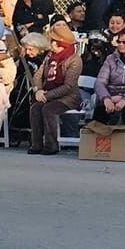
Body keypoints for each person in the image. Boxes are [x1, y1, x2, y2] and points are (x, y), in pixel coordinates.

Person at [27, 21, 83, 154]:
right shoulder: (49, 57)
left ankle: (51, 144)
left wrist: (46, 96)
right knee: (35, 107)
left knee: (49, 109)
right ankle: (36, 144)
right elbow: (38, 75)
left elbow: (69, 86)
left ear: (60, 42)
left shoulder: (75, 60)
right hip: (47, 93)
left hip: (68, 97)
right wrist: (39, 90)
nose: (49, 43)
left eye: (52, 40)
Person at [93, 28, 125, 127]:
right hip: (111, 96)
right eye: (119, 41)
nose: (121, 45)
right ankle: (98, 140)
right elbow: (100, 82)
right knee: (100, 109)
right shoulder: (110, 59)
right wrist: (106, 98)